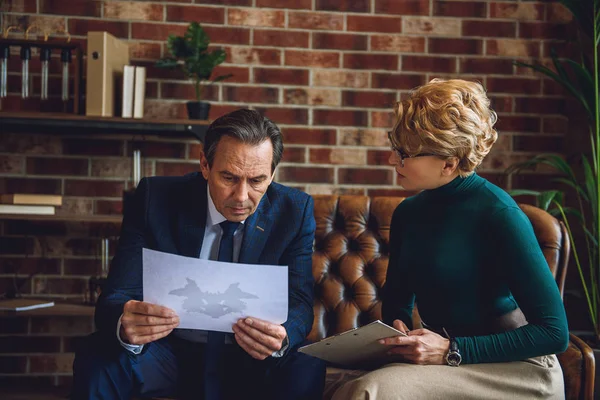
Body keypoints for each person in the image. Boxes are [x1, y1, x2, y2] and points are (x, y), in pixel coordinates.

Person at [332, 79, 569, 400]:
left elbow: (554, 333)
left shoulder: (501, 214)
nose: (392, 160)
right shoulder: (408, 213)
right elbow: (398, 303)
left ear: (449, 163)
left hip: (516, 368)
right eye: (394, 147)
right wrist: (399, 329)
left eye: (404, 153)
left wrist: (451, 350)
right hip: (445, 357)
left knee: (369, 392)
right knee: (338, 383)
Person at [72, 109, 326, 400]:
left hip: (249, 357)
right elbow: (116, 296)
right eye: (229, 177)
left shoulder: (295, 211)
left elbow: (301, 302)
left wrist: (282, 337)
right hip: (168, 352)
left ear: (272, 174)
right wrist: (125, 324)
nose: (242, 197)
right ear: (205, 164)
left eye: (257, 180)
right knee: (97, 355)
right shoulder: (155, 199)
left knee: (307, 366)